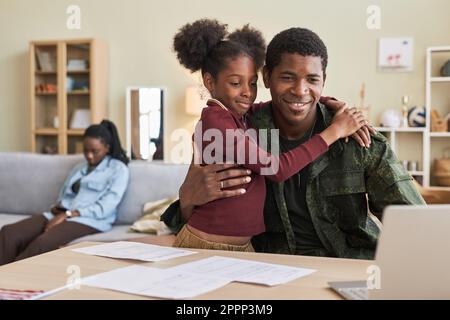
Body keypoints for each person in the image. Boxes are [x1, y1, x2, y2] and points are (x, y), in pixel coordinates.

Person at [162, 27, 425, 259]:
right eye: (287, 77)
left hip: (347, 266)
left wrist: (329, 105)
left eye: (312, 80)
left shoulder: (357, 139)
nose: (300, 90)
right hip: (269, 270)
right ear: (267, 78)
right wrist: (186, 198)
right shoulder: (246, 125)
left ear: (323, 81)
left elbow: (416, 229)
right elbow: (196, 220)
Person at [0, 120, 130, 265]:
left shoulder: (118, 170)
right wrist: (58, 208)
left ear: (107, 148)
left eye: (95, 151)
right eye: (86, 150)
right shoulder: (78, 168)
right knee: (9, 232)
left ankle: (9, 282)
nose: (89, 156)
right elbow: (64, 196)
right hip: (60, 214)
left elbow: (105, 208)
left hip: (89, 220)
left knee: (43, 242)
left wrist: (67, 215)